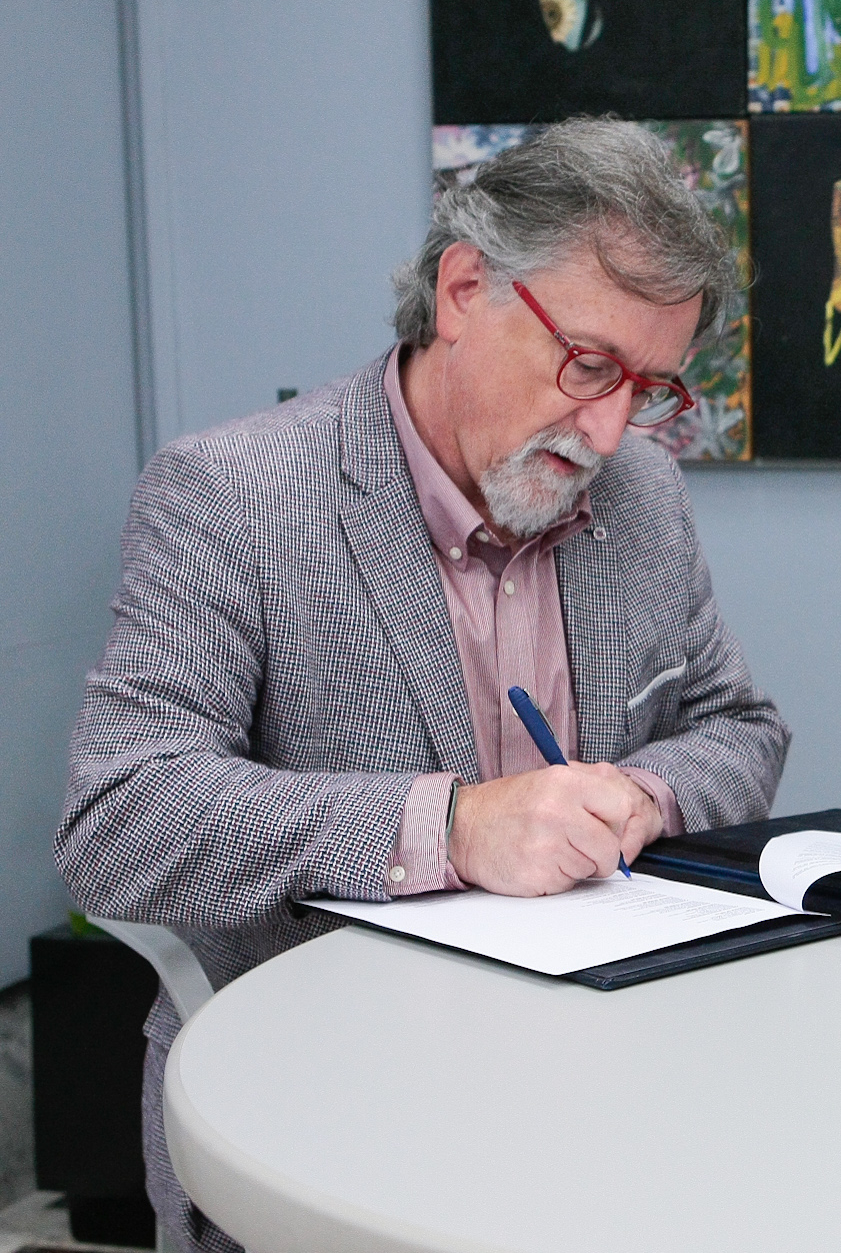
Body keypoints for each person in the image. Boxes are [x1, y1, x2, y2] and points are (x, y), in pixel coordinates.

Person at [56, 119, 791, 1253]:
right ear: (462, 290)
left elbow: (738, 727)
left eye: (648, 388)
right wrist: (451, 828)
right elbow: (119, 818)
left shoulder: (641, 494)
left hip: (607, 1104)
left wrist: (644, 797)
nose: (609, 430)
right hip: (326, 1119)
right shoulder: (230, 495)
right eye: (590, 365)